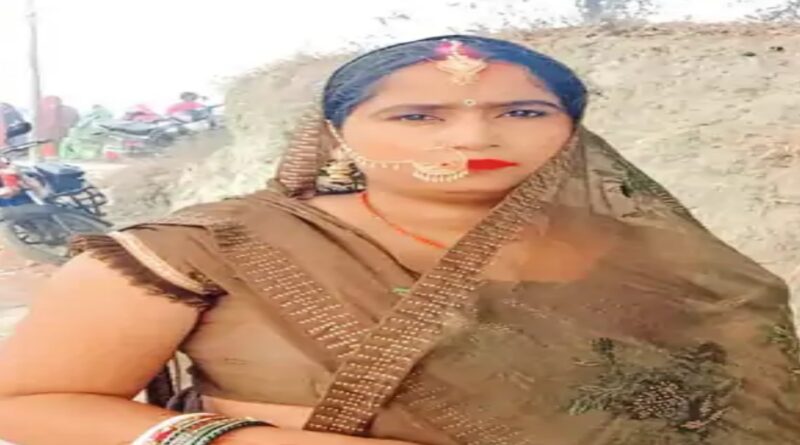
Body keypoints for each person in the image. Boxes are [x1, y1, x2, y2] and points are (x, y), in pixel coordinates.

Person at [0, 35, 797, 445]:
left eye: (523, 112)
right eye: (416, 116)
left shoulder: (659, 257)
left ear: (572, 131)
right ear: (337, 135)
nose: (473, 137)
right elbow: (24, 406)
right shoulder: (208, 248)